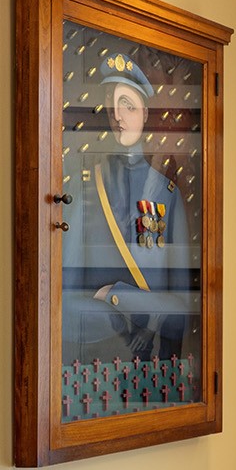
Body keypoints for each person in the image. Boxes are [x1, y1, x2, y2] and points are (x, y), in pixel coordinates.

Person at [60, 54, 197, 413]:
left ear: (145, 113)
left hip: (151, 370)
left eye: (128, 105)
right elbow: (63, 296)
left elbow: (182, 309)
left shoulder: (167, 196)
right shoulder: (85, 188)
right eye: (111, 107)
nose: (119, 116)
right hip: (92, 365)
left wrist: (117, 295)